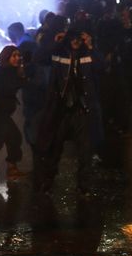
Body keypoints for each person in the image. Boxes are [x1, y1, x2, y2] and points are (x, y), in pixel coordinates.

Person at [35, 28, 101, 195]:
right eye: (72, 38)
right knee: (54, 149)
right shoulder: (59, 53)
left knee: (85, 151)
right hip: (61, 109)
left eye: (78, 38)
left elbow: (103, 66)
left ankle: (83, 186)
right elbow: (39, 58)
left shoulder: (87, 54)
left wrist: (91, 46)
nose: (75, 41)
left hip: (81, 108)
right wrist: (55, 42)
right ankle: (47, 183)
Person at [0, 46, 27, 180]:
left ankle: (9, 168)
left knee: (11, 138)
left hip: (2, 113)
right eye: (14, 56)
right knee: (4, 140)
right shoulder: (2, 72)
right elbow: (8, 88)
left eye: (18, 55)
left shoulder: (10, 71)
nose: (17, 58)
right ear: (7, 57)